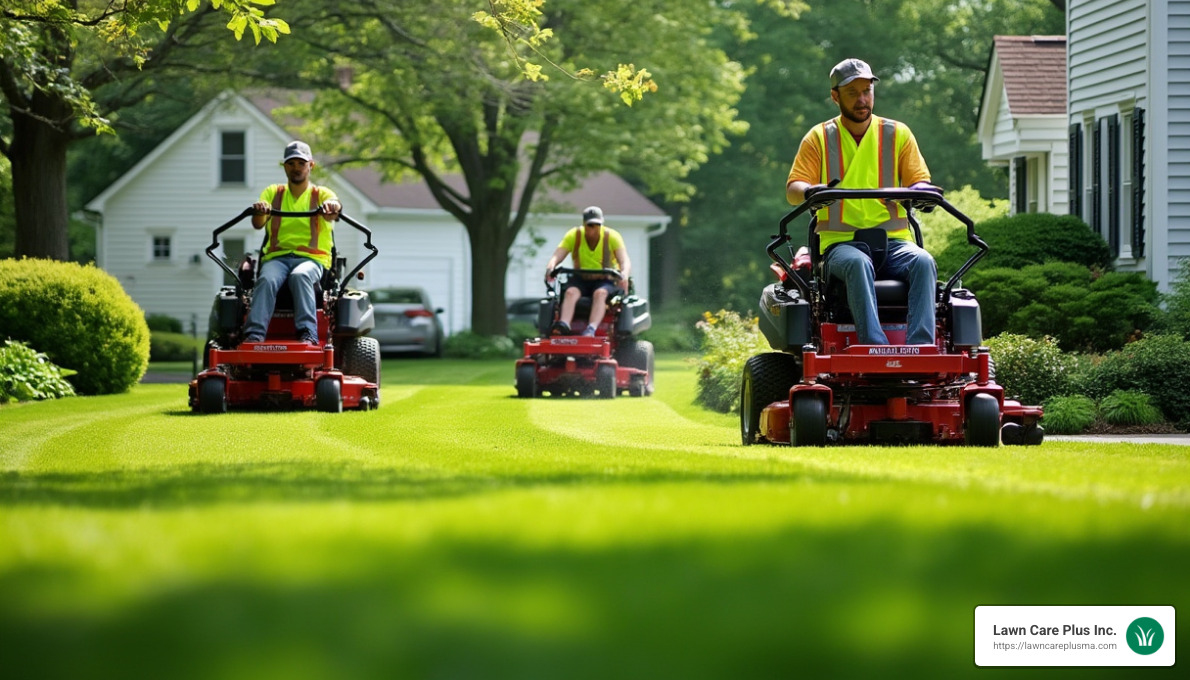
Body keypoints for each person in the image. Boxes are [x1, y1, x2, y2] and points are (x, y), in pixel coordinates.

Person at [785, 58, 942, 346]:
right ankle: (876, 347)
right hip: (840, 244)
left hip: (895, 241)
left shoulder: (898, 134)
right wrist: (810, 191)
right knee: (858, 263)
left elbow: (919, 180)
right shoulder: (818, 138)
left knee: (923, 261)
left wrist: (922, 191)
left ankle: (921, 347)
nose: (862, 100)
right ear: (835, 97)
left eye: (866, 91)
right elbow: (793, 188)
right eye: (852, 93)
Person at [241, 140, 342, 346]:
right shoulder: (272, 193)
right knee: (266, 279)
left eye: (301, 163)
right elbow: (258, 224)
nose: (296, 168)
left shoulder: (322, 194)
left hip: (312, 260)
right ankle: (254, 336)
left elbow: (333, 213)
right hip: (277, 258)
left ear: (310, 166)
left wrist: (333, 206)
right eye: (291, 163)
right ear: (284, 166)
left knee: (300, 275)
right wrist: (261, 211)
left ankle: (307, 333)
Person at [543, 206, 632, 337]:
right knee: (570, 292)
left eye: (597, 225)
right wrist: (550, 267)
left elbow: (625, 261)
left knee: (600, 294)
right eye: (590, 225)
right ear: (584, 224)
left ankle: (591, 329)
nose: (593, 229)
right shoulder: (574, 235)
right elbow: (557, 256)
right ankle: (564, 325)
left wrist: (624, 274)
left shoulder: (612, 236)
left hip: (604, 280)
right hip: (580, 279)